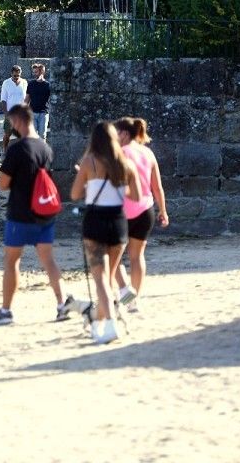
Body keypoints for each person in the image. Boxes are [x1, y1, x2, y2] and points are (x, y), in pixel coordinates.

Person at [0, 105, 68, 328]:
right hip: (44, 212)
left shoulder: (16, 149)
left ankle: (6, 310)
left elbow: (2, 184)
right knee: (48, 260)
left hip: (20, 212)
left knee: (11, 262)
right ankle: (61, 304)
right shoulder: (45, 148)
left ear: (18, 121)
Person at [70, 121, 144, 344]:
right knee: (109, 276)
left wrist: (87, 185)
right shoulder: (126, 165)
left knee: (100, 278)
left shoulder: (89, 162)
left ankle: (108, 324)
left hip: (96, 220)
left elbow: (74, 194)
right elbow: (136, 197)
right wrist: (118, 187)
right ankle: (99, 320)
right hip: (119, 221)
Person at [113, 116, 169, 312]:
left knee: (113, 256)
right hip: (145, 210)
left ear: (124, 134)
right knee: (137, 256)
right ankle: (134, 297)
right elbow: (158, 188)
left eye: (115, 133)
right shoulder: (149, 153)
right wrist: (163, 211)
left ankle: (124, 292)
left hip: (121, 211)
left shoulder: (120, 153)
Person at [0, 65, 28, 152]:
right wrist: (6, 113)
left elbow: (26, 98)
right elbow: (3, 100)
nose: (16, 77)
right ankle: (5, 150)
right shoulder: (6, 83)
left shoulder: (24, 82)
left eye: (18, 75)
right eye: (14, 75)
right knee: (7, 134)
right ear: (11, 73)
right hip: (10, 112)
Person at [26, 62, 51, 140]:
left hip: (44, 113)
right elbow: (27, 99)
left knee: (42, 135)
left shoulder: (48, 85)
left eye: (36, 72)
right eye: (34, 72)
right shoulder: (31, 84)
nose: (34, 74)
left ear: (42, 72)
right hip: (32, 113)